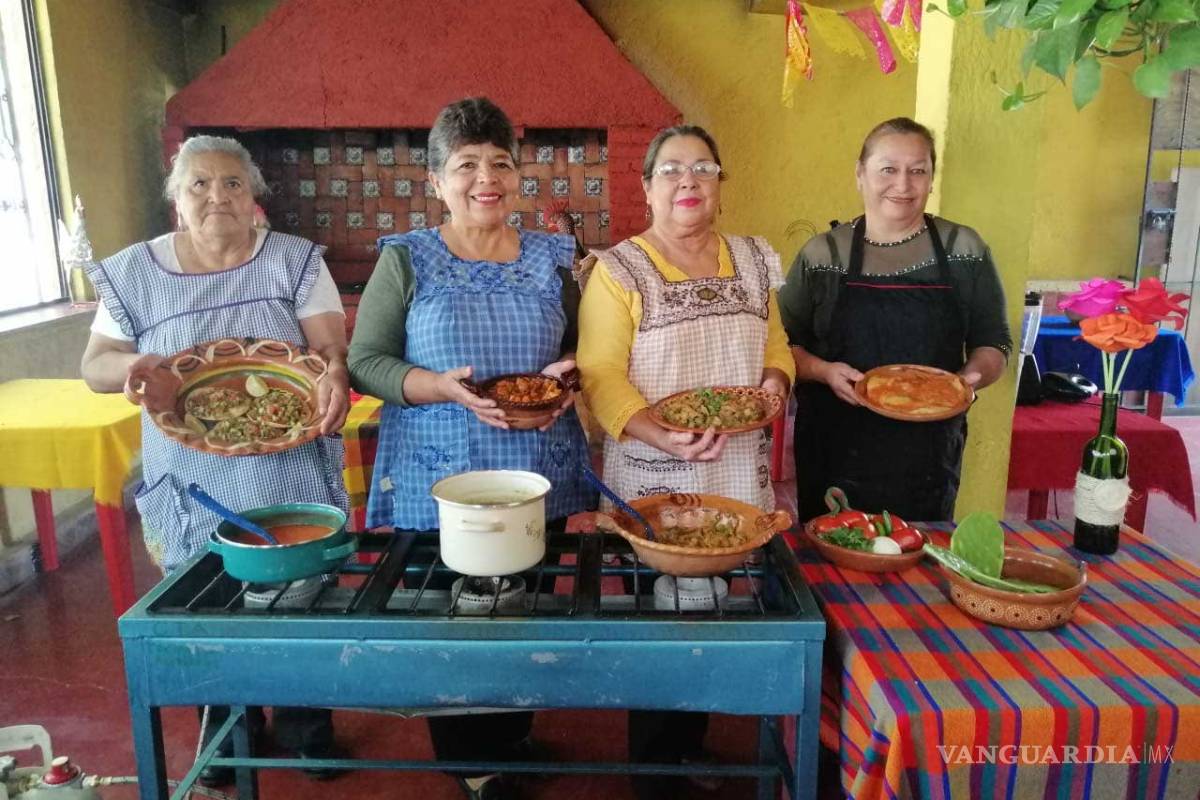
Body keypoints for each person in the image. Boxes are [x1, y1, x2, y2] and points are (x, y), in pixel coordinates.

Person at [80, 134, 351, 785]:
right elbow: (93, 366)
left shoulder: (294, 260)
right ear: (176, 198)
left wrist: (335, 374)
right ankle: (229, 732)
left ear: (253, 196)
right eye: (199, 183)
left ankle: (306, 726)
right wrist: (132, 365)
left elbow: (329, 348)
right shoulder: (133, 272)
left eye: (232, 183)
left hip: (285, 464)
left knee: (298, 597)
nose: (216, 196)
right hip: (191, 478)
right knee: (204, 605)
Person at [347, 97, 595, 800]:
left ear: (517, 176)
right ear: (436, 181)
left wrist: (567, 378)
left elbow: (585, 348)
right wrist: (437, 385)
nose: (486, 177)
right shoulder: (408, 259)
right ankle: (472, 763)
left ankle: (512, 736)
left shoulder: (555, 256)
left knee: (525, 602)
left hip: (535, 464)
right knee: (452, 615)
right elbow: (366, 361)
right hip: (440, 470)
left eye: (500, 163)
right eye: (466, 165)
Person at [575, 124, 794, 800]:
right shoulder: (619, 270)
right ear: (646, 189)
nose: (688, 181)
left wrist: (775, 385)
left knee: (721, 610)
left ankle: (693, 744)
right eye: (670, 170)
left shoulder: (756, 261)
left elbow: (777, 347)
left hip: (735, 469)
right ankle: (655, 769)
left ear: (721, 185)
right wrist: (659, 432)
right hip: (656, 471)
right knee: (663, 615)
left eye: (703, 167)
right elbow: (600, 373)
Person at [778, 117, 1012, 523]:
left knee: (916, 566)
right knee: (833, 568)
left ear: (931, 178)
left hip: (927, 454)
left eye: (917, 170)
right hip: (835, 446)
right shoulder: (822, 255)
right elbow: (780, 345)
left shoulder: (964, 250)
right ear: (860, 174)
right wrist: (824, 371)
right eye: (888, 169)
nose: (903, 185)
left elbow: (994, 341)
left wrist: (967, 381)